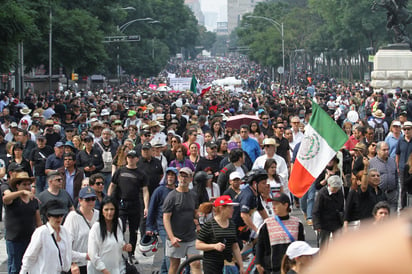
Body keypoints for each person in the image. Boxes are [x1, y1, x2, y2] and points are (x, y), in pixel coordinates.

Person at [108, 149, 149, 262]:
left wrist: (146, 207)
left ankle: (131, 254)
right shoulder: (120, 171)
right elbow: (112, 186)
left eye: (133, 157)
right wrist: (108, 200)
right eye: (129, 157)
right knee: (120, 228)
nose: (130, 159)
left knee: (133, 231)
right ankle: (119, 252)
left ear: (137, 159)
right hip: (121, 204)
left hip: (135, 204)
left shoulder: (141, 174)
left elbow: (145, 191)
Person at [20, 199, 81, 273]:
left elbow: (68, 253)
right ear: (48, 216)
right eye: (55, 216)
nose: (59, 218)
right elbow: (29, 257)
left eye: (61, 215)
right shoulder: (41, 232)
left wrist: (86, 256)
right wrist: (23, 272)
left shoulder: (65, 232)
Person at [162, 167, 201, 274]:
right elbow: (166, 218)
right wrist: (171, 237)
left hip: (191, 237)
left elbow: (195, 214)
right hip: (176, 238)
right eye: (181, 176)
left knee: (196, 263)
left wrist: (199, 217)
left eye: (186, 176)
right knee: (175, 265)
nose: (183, 179)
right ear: (178, 178)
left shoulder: (193, 195)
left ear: (190, 179)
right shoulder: (171, 196)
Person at [255, 192, 305, 274]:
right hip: (272, 268)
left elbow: (301, 245)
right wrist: (258, 263)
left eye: (276, 204)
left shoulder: (297, 223)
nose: (273, 207)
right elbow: (260, 245)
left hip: (292, 268)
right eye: (273, 204)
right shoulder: (267, 224)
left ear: (286, 205)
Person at [4, 172, 41, 274]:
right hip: (15, 239)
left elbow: (38, 221)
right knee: (15, 268)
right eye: (24, 184)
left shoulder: (33, 200)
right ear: (17, 186)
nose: (27, 187)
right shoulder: (13, 199)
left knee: (29, 267)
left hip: (30, 238)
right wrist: (21, 193)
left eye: (28, 184)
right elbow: (5, 198)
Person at [196, 195, 244, 274]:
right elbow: (198, 245)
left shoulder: (231, 224)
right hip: (212, 265)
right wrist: (214, 246)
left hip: (228, 264)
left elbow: (235, 246)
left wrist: (241, 265)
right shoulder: (209, 225)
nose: (233, 210)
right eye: (230, 207)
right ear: (222, 208)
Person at [87, 196, 132, 274]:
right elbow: (92, 254)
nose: (109, 212)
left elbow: (119, 242)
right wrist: (104, 270)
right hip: (99, 270)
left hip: (117, 268)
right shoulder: (96, 228)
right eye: (106, 209)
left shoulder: (118, 223)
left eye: (112, 209)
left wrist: (125, 246)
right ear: (102, 211)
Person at [146, 167, 178, 274]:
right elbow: (152, 208)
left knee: (167, 251)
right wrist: (149, 226)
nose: (170, 177)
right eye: (168, 175)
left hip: (175, 225)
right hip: (162, 225)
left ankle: (164, 272)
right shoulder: (159, 190)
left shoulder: (178, 190)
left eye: (173, 175)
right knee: (170, 251)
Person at [64, 186, 99, 274]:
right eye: (87, 199)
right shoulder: (73, 217)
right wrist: (72, 263)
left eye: (93, 199)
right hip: (79, 265)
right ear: (80, 200)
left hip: (96, 263)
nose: (91, 202)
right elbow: (65, 245)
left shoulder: (99, 215)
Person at [312, 175, 344, 247]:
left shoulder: (339, 192)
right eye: (334, 188)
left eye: (337, 188)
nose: (336, 190)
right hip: (324, 223)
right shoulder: (322, 193)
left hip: (336, 221)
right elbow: (316, 210)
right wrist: (317, 225)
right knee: (323, 243)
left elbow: (341, 206)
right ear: (329, 185)